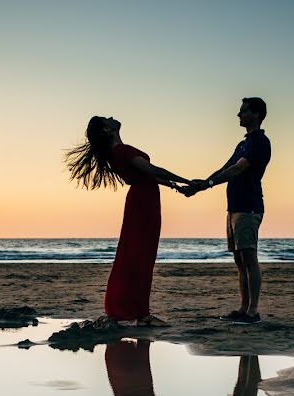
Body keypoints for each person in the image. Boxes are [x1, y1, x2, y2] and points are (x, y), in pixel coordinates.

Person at [65, 116, 189, 326]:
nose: (113, 118)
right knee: (141, 256)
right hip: (144, 202)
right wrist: (185, 180)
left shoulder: (116, 153)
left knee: (136, 255)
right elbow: (152, 170)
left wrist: (175, 186)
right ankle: (142, 314)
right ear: (107, 129)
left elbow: (147, 175)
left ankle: (138, 311)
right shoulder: (121, 151)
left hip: (141, 198)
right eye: (108, 119)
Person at [183, 98, 271, 325]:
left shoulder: (260, 142)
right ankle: (243, 308)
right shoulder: (243, 143)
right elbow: (226, 168)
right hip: (234, 208)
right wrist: (203, 184)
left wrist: (209, 183)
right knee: (239, 260)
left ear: (257, 114)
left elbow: (239, 168)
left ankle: (253, 312)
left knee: (250, 258)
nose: (238, 115)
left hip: (248, 207)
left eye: (243, 111)